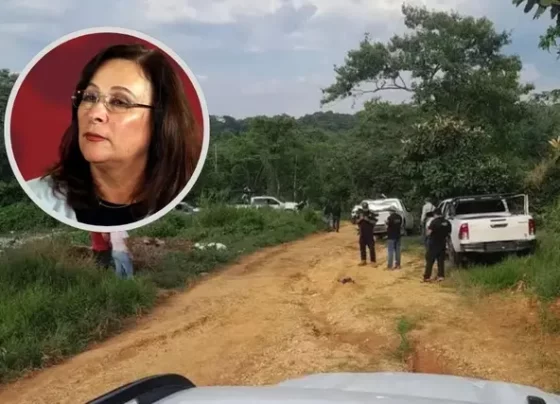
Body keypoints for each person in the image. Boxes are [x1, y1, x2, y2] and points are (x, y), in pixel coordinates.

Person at [26, 43, 201, 226]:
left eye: (119, 102)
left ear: (161, 120)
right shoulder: (39, 197)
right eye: (90, 97)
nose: (95, 114)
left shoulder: (181, 211)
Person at [423, 208, 452, 282]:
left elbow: (428, 232)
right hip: (442, 243)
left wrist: (426, 232)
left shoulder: (434, 222)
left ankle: (427, 277)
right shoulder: (447, 222)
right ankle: (441, 276)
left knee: (430, 260)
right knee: (441, 261)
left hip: (433, 244)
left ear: (435, 214)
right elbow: (449, 233)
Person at [356, 201, 378, 266]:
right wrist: (360, 219)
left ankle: (373, 261)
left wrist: (368, 220)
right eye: (364, 208)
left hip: (369, 233)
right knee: (362, 247)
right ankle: (363, 260)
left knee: (371, 248)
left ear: (367, 207)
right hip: (362, 233)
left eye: (366, 207)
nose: (365, 209)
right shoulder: (359, 213)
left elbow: (374, 222)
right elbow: (355, 221)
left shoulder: (371, 213)